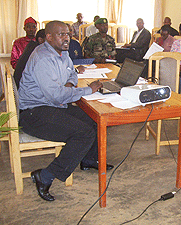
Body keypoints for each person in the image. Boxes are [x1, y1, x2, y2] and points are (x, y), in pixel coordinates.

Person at [18, 21, 114, 202]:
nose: (66, 38)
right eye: (61, 34)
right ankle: (45, 176)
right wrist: (88, 90)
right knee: (83, 133)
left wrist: (68, 85)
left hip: (51, 105)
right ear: (48, 37)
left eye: (68, 34)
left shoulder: (62, 53)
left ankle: (88, 160)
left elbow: (72, 74)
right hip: (33, 113)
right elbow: (56, 96)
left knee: (95, 119)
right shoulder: (43, 58)